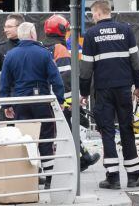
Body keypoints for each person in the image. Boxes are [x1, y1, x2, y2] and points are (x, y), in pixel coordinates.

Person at [80, 0, 139, 190]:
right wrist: (138, 86)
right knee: (126, 129)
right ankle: (133, 177)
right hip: (124, 88)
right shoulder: (126, 30)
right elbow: (136, 62)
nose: (92, 18)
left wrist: (84, 92)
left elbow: (86, 69)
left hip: (103, 90)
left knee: (106, 131)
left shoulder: (91, 35)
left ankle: (113, 178)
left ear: (99, 13)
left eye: (92, 14)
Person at [0, 22, 65, 189]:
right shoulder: (43, 53)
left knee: (25, 139)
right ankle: (49, 179)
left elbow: (4, 83)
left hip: (20, 103)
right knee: (46, 138)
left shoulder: (10, 55)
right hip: (41, 102)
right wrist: (59, 100)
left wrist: (6, 105)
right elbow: (56, 79)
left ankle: (29, 179)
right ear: (32, 35)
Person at [43, 14, 100, 172]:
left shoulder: (43, 47)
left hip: (48, 98)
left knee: (60, 130)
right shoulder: (60, 49)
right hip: (60, 100)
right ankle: (82, 159)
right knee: (69, 129)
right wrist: (69, 102)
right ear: (61, 31)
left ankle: (82, 157)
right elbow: (65, 78)